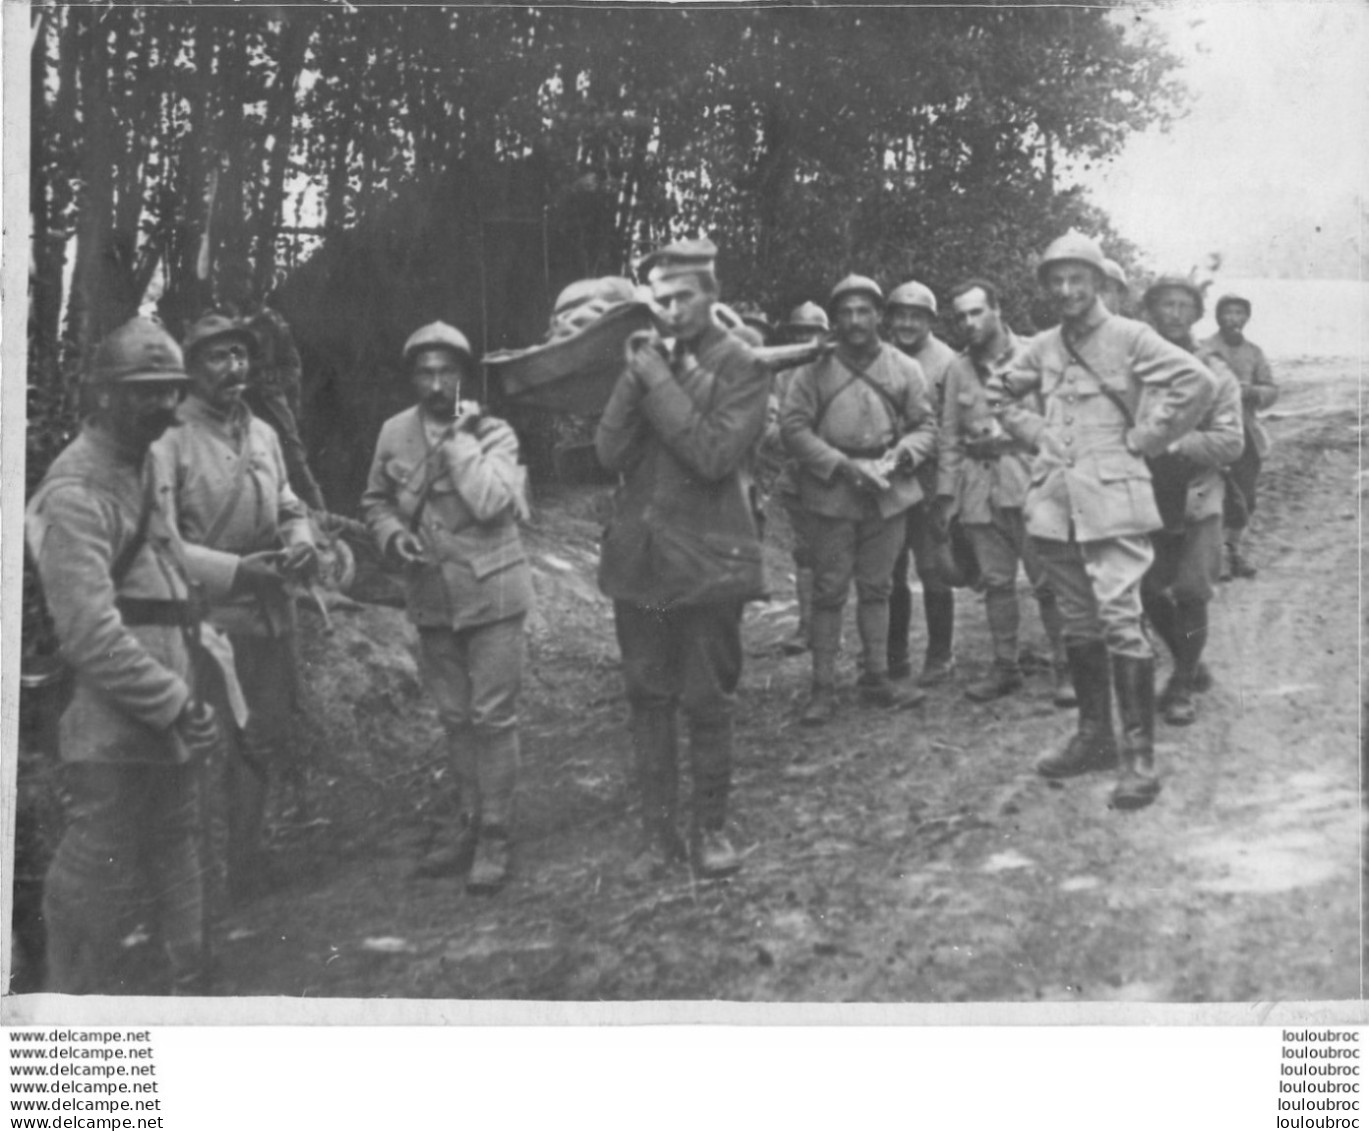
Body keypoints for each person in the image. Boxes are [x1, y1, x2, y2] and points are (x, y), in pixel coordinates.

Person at [25, 317, 277, 993]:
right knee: (96, 856)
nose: (164, 406)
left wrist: (238, 578)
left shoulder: (146, 462)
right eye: (144, 391)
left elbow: (167, 563)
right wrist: (173, 703)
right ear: (101, 394)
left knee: (179, 836)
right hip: (113, 716)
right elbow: (90, 633)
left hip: (178, 684)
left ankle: (191, 979)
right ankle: (64, 1005)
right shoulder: (74, 491)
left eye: (170, 390)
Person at [994, 231, 1215, 810]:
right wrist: (1036, 433)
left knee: (1121, 621)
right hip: (1056, 505)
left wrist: (1148, 435)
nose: (1067, 290)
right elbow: (1001, 392)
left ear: (1098, 283)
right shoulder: (1042, 346)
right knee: (1077, 625)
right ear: (1046, 288)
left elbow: (1198, 383)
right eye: (1057, 281)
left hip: (1116, 503)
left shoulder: (1131, 337)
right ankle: (1093, 739)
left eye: (1078, 280)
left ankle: (1139, 758)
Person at [595, 237, 770, 880]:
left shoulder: (744, 367)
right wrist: (632, 376)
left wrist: (657, 380)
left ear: (711, 296)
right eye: (660, 299)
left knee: (707, 697)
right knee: (647, 698)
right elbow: (609, 453)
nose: (670, 309)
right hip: (640, 562)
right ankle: (656, 838)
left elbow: (713, 456)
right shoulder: (648, 362)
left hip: (710, 562)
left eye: (683, 296)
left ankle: (711, 832)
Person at [363, 322, 533, 895]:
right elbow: (375, 502)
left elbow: (489, 503)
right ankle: (466, 822)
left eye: (447, 372)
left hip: (494, 592)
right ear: (412, 376)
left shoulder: (496, 434)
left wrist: (460, 440)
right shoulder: (393, 433)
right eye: (425, 372)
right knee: (456, 719)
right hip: (432, 594)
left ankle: (496, 834)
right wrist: (391, 536)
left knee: (493, 717)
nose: (436, 384)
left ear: (463, 375)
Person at [156, 314, 318, 901]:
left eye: (241, 356)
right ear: (192, 369)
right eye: (219, 358)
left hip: (268, 614)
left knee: (260, 742)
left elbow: (288, 502)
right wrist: (233, 572)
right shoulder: (169, 439)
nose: (234, 368)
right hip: (204, 624)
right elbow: (161, 541)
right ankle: (198, 883)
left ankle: (246, 863)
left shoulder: (265, 435)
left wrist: (300, 542)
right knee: (207, 750)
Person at [782, 275, 938, 725]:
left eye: (864, 311)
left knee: (878, 587)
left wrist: (900, 457)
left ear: (878, 316)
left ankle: (877, 677)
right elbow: (794, 429)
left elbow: (926, 427)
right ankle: (822, 687)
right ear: (835, 318)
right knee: (829, 590)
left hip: (887, 491)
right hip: (832, 491)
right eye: (846, 312)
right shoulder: (813, 369)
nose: (854, 320)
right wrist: (845, 466)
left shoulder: (904, 369)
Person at [937, 279, 1072, 706]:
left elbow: (1060, 421)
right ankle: (1005, 667)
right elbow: (948, 437)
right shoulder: (957, 370)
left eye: (976, 312)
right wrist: (946, 499)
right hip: (980, 487)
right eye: (960, 316)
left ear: (997, 310)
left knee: (1049, 582)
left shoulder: (1037, 354)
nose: (968, 323)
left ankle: (1067, 668)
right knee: (996, 584)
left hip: (1032, 482)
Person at [1139, 277, 1244, 725]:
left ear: (1197, 315)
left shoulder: (1216, 372)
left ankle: (1181, 684)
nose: (1175, 313)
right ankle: (1189, 658)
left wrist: (1173, 442)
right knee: (1145, 590)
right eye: (1166, 305)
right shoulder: (1136, 367)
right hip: (1143, 496)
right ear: (1151, 312)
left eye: (1184, 305)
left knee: (1191, 592)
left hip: (1198, 495)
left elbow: (1231, 442)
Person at [883, 281, 959, 685]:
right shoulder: (880, 357)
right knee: (889, 570)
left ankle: (940, 654)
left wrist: (946, 491)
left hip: (929, 481)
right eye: (901, 315)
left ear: (930, 320)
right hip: (889, 479)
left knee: (933, 569)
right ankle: (894, 656)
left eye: (917, 316)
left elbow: (951, 431)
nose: (908, 323)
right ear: (890, 318)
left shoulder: (948, 362)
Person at [1200, 293, 1278, 579]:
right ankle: (1215, 558)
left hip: (1246, 433)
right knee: (1213, 495)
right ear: (1218, 317)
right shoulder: (1204, 349)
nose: (1233, 319)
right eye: (1228, 313)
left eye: (1239, 313)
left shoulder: (1254, 352)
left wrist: (1252, 392)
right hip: (1210, 432)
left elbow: (1271, 389)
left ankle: (1234, 552)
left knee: (1245, 496)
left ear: (1247, 318)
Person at [769, 302, 831, 653]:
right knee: (805, 555)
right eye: (798, 333)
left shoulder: (837, 369)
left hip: (836, 475)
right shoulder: (782, 377)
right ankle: (806, 627)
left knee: (837, 556)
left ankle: (832, 630)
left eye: (812, 332)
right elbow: (774, 428)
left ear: (824, 335)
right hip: (798, 475)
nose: (805, 340)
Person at [243, 305, 327, 512]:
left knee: (296, 467)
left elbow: (291, 367)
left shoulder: (268, 320)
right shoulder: (219, 321)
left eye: (243, 278)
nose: (238, 285)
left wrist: (268, 382)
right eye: (233, 278)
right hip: (236, 408)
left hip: (270, 407)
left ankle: (324, 523)